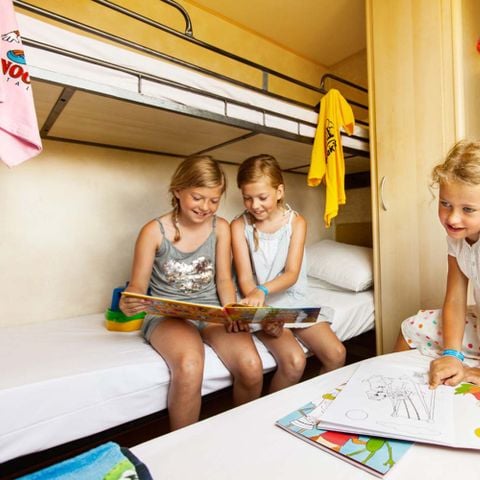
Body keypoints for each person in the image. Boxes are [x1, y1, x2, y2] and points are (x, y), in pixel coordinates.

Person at [120, 156, 264, 430]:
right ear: (178, 190)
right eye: (198, 198)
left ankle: (241, 434)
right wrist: (132, 299)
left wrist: (231, 311)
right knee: (189, 365)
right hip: (169, 316)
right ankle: (183, 444)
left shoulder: (220, 228)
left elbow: (224, 279)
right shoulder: (153, 232)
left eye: (214, 200)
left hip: (212, 311)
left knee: (251, 366)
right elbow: (137, 286)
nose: (205, 207)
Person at [231, 154, 346, 392]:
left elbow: (292, 274)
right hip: (261, 306)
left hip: (294, 301)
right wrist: (263, 311)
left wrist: (262, 290)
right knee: (294, 362)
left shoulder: (296, 223)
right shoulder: (239, 226)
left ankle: (316, 406)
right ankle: (272, 413)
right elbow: (244, 278)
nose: (255, 205)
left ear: (279, 191)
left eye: (262, 197)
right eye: (247, 198)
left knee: (336, 354)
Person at [394, 140, 480, 388]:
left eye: (468, 209)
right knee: (411, 327)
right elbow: (455, 297)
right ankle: (396, 387)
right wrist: (452, 354)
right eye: (445, 204)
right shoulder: (457, 240)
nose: (452, 218)